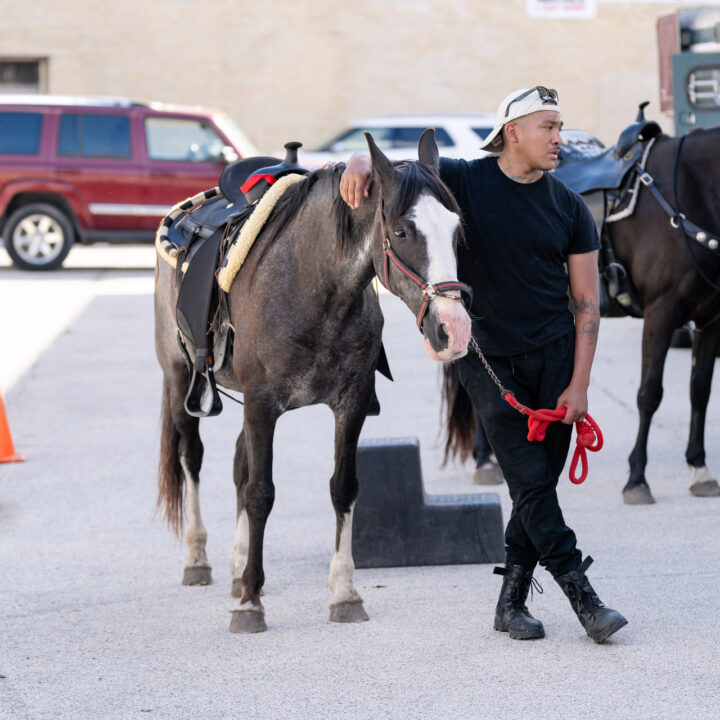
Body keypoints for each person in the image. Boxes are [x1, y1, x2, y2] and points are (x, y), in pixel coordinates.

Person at [340, 87, 627, 643]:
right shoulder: (462, 180)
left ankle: (510, 603)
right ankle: (585, 600)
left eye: (561, 126)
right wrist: (355, 160)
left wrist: (580, 384)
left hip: (556, 359)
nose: (559, 138)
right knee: (532, 482)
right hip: (488, 361)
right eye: (549, 127)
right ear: (512, 131)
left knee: (535, 486)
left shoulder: (569, 205)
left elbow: (589, 303)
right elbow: (392, 171)